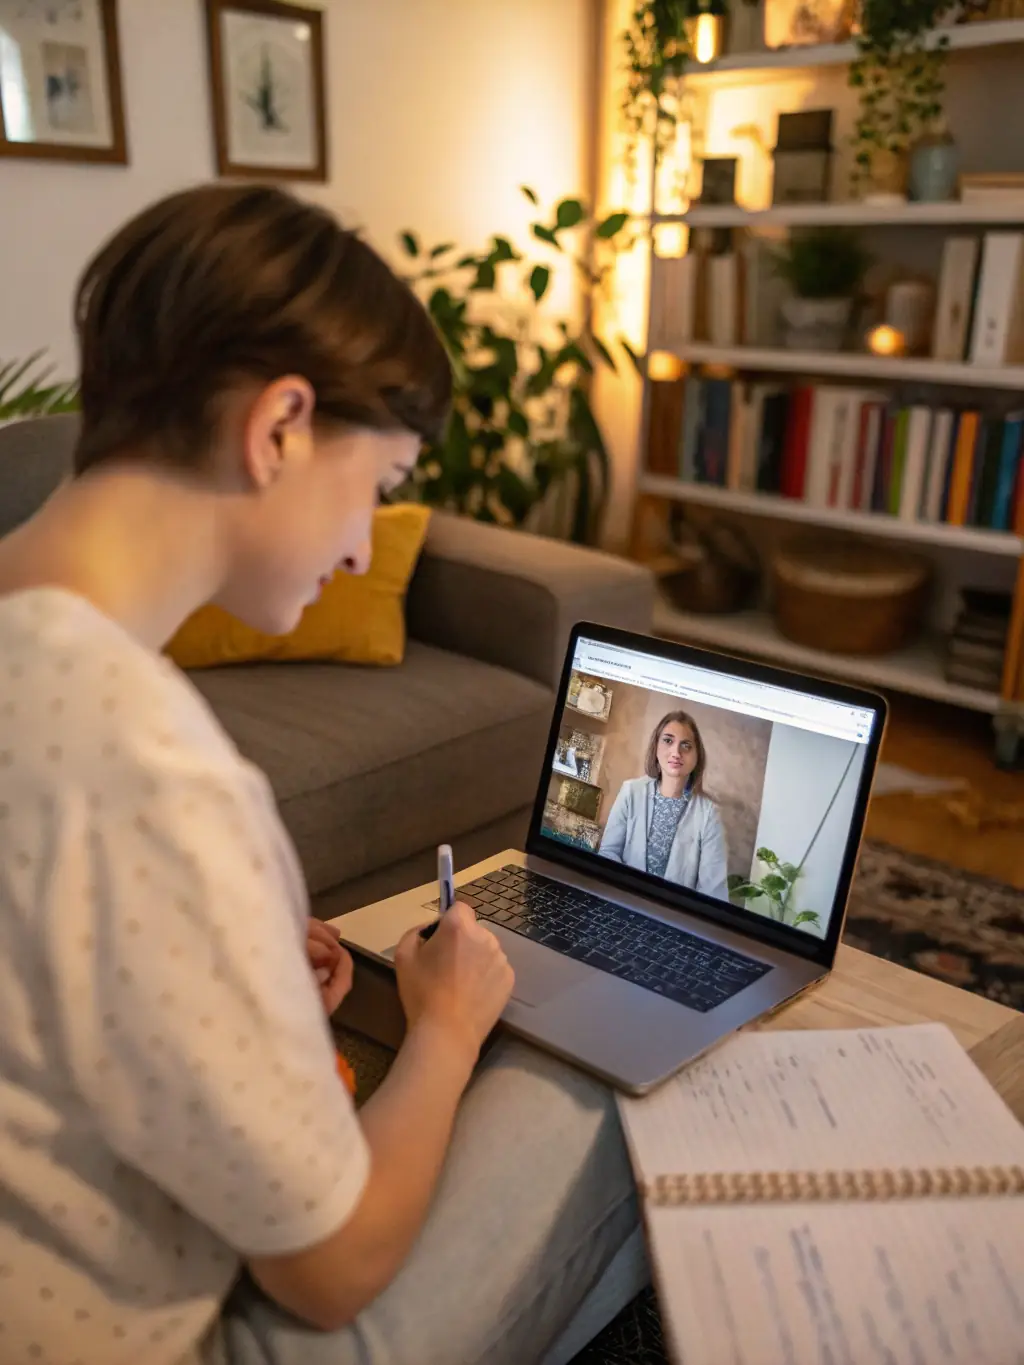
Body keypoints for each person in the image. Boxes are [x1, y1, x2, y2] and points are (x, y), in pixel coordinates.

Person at [0, 185, 646, 1365]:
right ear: (281, 426)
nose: (364, 544)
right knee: (597, 1085)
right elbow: (329, 1274)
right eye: (381, 484)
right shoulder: (154, 768)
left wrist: (230, 969)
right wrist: (446, 1025)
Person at [599, 710, 729, 901]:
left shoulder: (709, 814)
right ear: (656, 746)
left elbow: (713, 891)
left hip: (675, 917)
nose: (676, 752)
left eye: (686, 745)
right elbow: (609, 853)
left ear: (697, 756)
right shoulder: (631, 791)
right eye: (668, 741)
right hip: (622, 903)